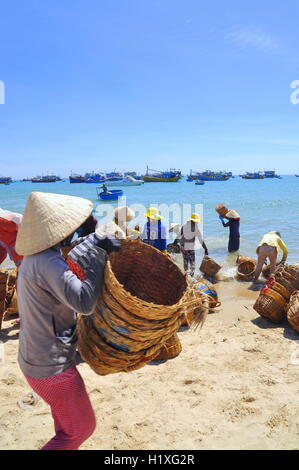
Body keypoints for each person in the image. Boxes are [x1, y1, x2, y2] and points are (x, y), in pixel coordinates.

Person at [15, 192, 120, 450]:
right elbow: (84, 303)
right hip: (51, 368)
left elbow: (72, 253)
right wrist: (98, 254)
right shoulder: (49, 262)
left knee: (65, 428)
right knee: (80, 430)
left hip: (34, 358)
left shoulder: (34, 258)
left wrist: (95, 240)